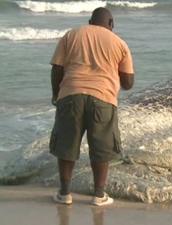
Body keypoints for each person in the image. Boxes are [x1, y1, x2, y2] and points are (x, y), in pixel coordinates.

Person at [49, 7, 134, 206]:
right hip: (103, 99)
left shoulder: (71, 35)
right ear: (111, 24)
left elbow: (56, 68)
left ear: (90, 21)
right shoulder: (119, 43)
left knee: (67, 146)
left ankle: (64, 194)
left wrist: (56, 94)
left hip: (71, 95)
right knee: (101, 148)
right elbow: (128, 83)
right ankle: (99, 195)